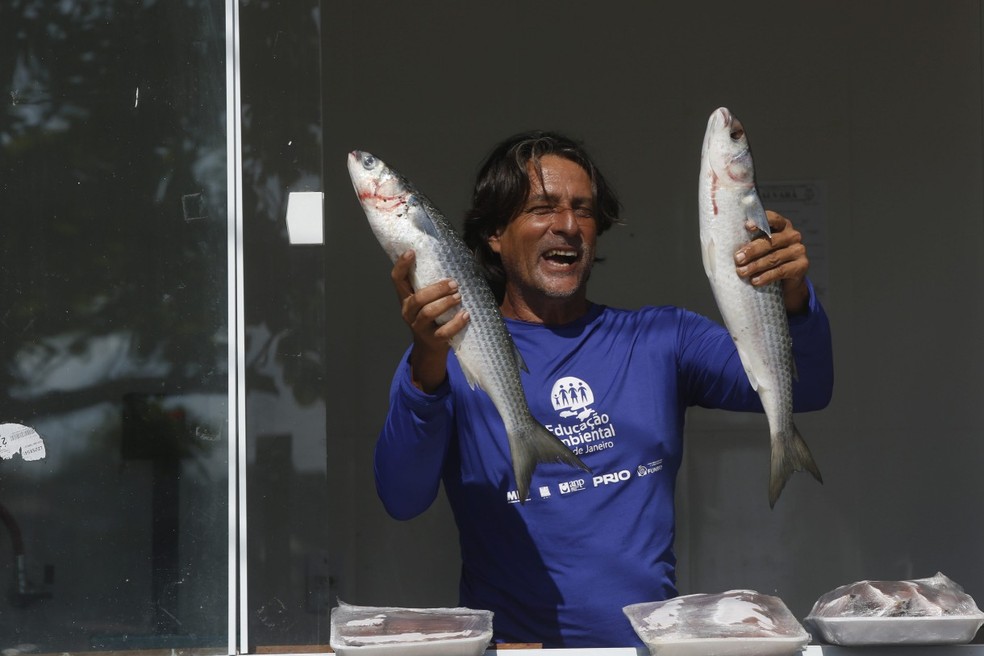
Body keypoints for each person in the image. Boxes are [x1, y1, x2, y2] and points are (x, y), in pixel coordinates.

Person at [373, 131, 833, 648]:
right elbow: (402, 498)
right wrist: (425, 363)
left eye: (584, 210)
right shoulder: (445, 359)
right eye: (543, 207)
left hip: (645, 649)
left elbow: (809, 389)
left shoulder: (663, 339)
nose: (568, 226)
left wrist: (794, 300)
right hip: (518, 653)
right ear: (495, 233)